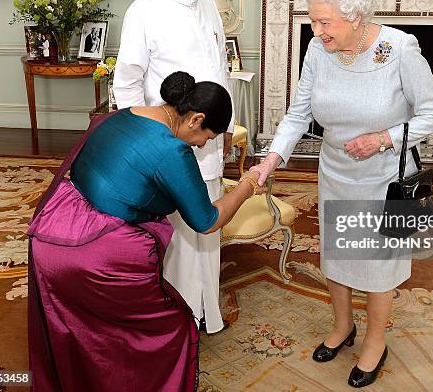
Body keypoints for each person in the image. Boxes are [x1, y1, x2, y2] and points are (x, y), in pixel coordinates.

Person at [250, 0, 433, 388]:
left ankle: (376, 340)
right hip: (336, 172)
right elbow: (299, 113)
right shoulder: (318, 51)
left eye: (325, 21)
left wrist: (382, 138)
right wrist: (270, 160)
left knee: (378, 263)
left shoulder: (399, 48)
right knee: (338, 254)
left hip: (387, 177)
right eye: (312, 20)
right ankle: (343, 327)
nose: (317, 30)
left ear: (355, 16)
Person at [28, 72, 263, 392]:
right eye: (208, 137)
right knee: (172, 326)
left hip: (51, 236)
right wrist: (247, 186)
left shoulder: (119, 116)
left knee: (86, 329)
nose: (202, 145)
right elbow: (207, 220)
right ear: (196, 119)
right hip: (93, 254)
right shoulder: (172, 151)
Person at [113, 0, 233, 334]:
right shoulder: (144, 11)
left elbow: (221, 69)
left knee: (208, 227)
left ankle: (207, 313)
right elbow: (127, 84)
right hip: (168, 145)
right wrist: (142, 144)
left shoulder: (210, 6)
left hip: (209, 141)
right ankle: (178, 320)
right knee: (181, 233)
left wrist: (226, 127)